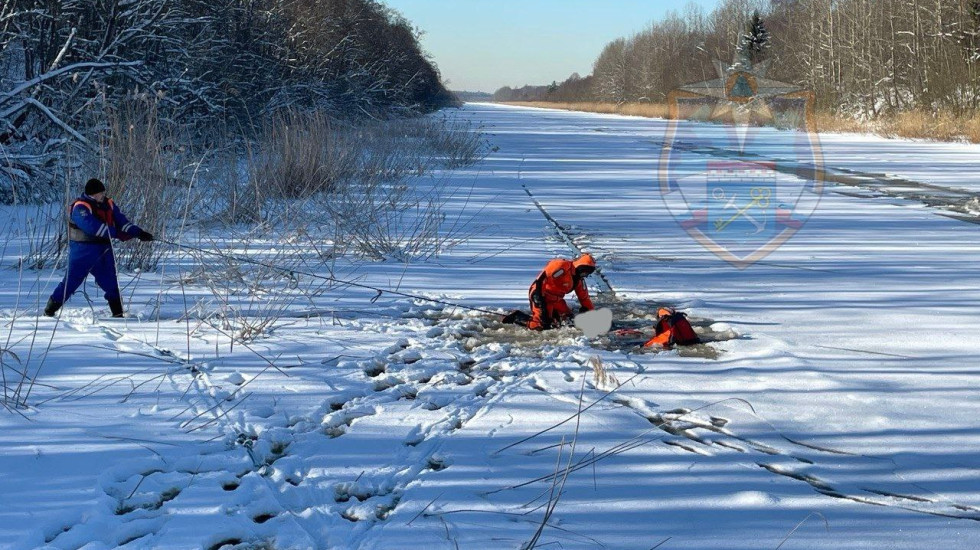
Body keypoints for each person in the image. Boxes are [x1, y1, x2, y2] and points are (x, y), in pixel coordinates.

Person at [44, 178, 154, 318]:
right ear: (92, 194)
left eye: (103, 192)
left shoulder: (108, 204)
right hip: (82, 252)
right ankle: (50, 310)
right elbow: (92, 227)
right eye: (100, 193)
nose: (103, 195)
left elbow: (122, 222)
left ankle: (118, 314)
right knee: (71, 283)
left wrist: (138, 232)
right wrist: (117, 234)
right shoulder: (80, 207)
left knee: (111, 282)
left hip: (103, 251)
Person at [527, 253, 596, 330]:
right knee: (541, 325)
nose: (585, 275)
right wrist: (538, 299)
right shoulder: (562, 266)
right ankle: (515, 317)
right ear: (579, 267)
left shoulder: (578, 281)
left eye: (587, 273)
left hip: (556, 300)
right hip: (540, 295)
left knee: (569, 320)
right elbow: (540, 279)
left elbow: (584, 299)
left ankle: (553, 315)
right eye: (584, 272)